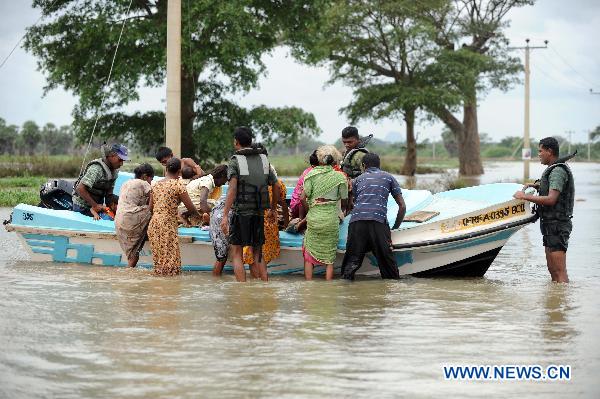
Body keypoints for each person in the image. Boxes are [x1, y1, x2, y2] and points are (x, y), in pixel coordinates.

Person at [221, 126, 279, 282]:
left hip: (241, 213)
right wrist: (273, 209)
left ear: (236, 142)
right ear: (251, 141)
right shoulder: (263, 159)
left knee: (237, 253)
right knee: (258, 253)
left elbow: (232, 189)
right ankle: (265, 286)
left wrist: (225, 215)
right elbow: (276, 186)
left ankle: (242, 291)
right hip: (259, 213)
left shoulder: (235, 161)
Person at [513, 137, 575, 283]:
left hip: (558, 225)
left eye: (540, 151)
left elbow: (551, 199)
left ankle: (563, 304)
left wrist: (524, 197)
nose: (539, 154)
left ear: (549, 151)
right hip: (550, 226)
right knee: (552, 271)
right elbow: (551, 190)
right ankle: (555, 304)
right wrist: (537, 186)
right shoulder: (553, 170)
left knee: (559, 272)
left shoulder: (558, 171)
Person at [341, 153, 406, 280]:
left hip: (357, 222)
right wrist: (394, 228)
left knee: (351, 262)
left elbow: (351, 204)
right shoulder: (389, 177)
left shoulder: (357, 180)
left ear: (364, 166)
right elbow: (402, 206)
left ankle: (346, 289)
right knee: (388, 266)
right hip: (378, 222)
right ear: (379, 165)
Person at [301, 145, 348, 280]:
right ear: (334, 159)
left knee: (308, 256)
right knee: (329, 258)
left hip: (314, 218)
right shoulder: (339, 177)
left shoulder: (311, 174)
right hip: (331, 219)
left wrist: (311, 210)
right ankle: (328, 287)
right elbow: (344, 200)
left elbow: (302, 198)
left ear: (319, 158)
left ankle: (308, 286)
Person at [148, 158, 200, 276]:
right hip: (167, 225)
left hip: (154, 225)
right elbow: (191, 208)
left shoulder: (155, 185)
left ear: (166, 169)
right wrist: (199, 217)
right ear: (179, 171)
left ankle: (158, 290)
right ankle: (170, 292)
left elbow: (150, 208)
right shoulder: (178, 185)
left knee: (159, 263)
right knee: (171, 264)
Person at [243, 169, 289, 277]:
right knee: (262, 255)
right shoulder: (279, 185)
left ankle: (257, 282)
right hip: (270, 222)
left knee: (252, 255)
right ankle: (263, 282)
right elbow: (284, 206)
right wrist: (286, 225)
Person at [114, 163, 154, 268]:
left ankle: (130, 270)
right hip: (131, 218)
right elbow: (154, 199)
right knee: (157, 210)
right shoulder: (144, 183)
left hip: (118, 219)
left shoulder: (125, 183)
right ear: (145, 176)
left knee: (133, 253)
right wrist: (150, 210)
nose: (151, 181)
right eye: (151, 179)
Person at [72, 143, 128, 217]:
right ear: (111, 156)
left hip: (98, 206)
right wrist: (95, 206)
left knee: (114, 217)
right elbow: (80, 189)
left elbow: (109, 196)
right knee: (108, 219)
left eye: (123, 161)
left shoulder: (114, 173)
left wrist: (120, 204)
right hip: (83, 206)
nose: (121, 164)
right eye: (120, 160)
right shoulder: (96, 169)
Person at [290, 150, 319, 219]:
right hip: (298, 206)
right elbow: (302, 198)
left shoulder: (311, 170)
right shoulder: (310, 173)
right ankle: (301, 220)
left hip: (298, 203)